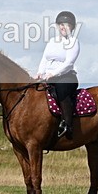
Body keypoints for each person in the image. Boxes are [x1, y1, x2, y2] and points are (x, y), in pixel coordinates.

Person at [35, 11, 80, 139]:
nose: (63, 27)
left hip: (67, 77)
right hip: (49, 76)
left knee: (61, 90)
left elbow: (69, 63)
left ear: (72, 27)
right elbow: (45, 58)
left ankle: (67, 125)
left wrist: (53, 73)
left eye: (67, 24)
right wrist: (40, 72)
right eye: (61, 24)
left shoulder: (73, 42)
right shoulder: (52, 42)